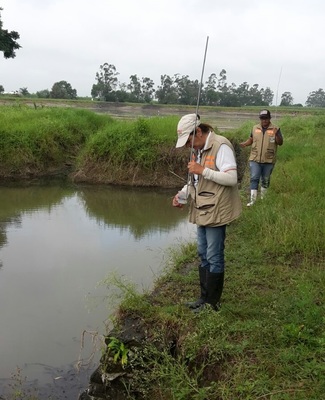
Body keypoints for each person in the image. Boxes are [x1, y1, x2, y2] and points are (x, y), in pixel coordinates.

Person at [172, 113, 242, 312]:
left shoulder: (221, 146)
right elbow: (194, 181)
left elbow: (231, 179)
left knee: (214, 255)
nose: (188, 146)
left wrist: (203, 170)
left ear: (199, 132)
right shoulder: (198, 149)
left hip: (217, 209)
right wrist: (182, 196)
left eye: (189, 141)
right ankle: (204, 298)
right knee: (203, 253)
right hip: (202, 208)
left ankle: (212, 304)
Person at [240, 109, 283, 206]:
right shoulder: (255, 128)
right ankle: (253, 201)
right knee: (254, 178)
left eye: (266, 118)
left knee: (266, 179)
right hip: (255, 158)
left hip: (269, 159)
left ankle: (264, 200)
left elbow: (280, 143)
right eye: (262, 118)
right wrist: (245, 144)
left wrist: (276, 134)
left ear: (269, 118)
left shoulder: (276, 128)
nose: (264, 120)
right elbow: (251, 139)